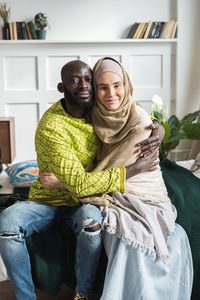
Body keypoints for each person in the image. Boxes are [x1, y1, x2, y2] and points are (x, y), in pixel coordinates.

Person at [0, 60, 163, 300]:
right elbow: (79, 184)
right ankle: (26, 297)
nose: (83, 85)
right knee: (6, 223)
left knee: (91, 222)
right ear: (61, 87)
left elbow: (132, 113)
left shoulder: (97, 107)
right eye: (75, 80)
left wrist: (158, 130)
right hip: (49, 201)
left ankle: (83, 294)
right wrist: (134, 169)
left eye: (88, 79)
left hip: (87, 200)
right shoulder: (52, 126)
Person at [42, 57, 193, 300]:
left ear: (127, 85)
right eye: (103, 87)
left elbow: (103, 172)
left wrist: (62, 181)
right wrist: (161, 128)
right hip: (109, 181)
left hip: (141, 192)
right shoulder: (94, 112)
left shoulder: (140, 123)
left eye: (117, 85)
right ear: (95, 90)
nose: (111, 93)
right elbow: (100, 165)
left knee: (128, 241)